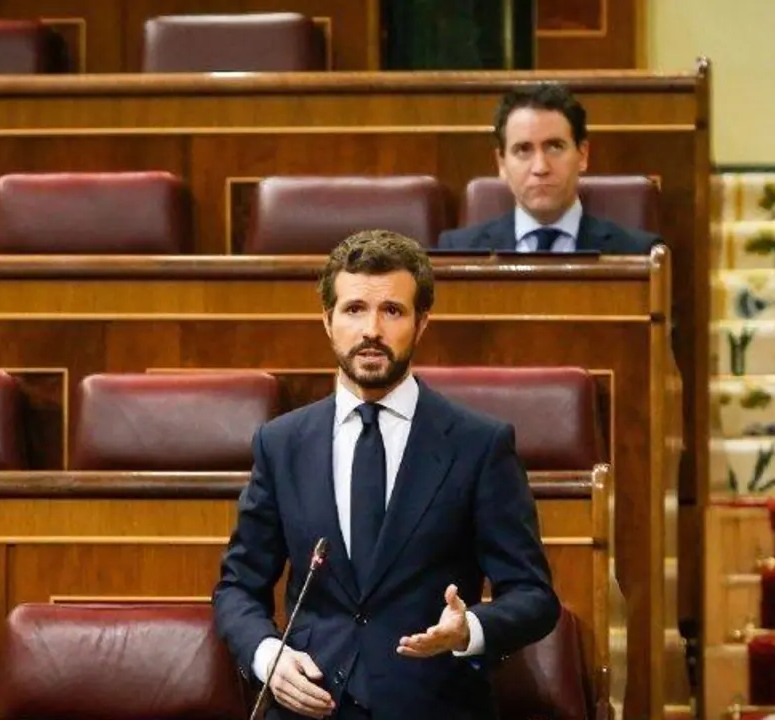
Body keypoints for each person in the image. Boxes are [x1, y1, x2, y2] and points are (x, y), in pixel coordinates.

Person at [213, 230, 560, 719]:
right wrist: (268, 656)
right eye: (354, 309)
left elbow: (533, 596)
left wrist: (469, 630)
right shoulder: (281, 443)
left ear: (422, 323)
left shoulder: (478, 445)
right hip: (310, 703)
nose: (371, 329)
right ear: (328, 321)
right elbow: (238, 587)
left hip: (431, 703)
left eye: (392, 311)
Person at [438, 83, 660, 255]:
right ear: (502, 163)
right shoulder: (458, 251)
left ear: (582, 155)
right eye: (523, 150)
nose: (540, 167)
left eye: (554, 147)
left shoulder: (638, 252)